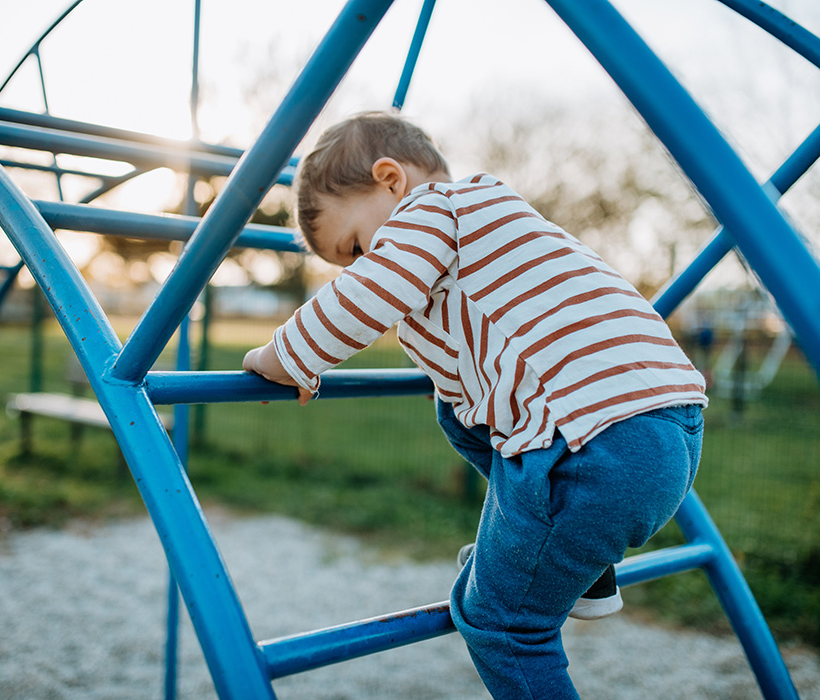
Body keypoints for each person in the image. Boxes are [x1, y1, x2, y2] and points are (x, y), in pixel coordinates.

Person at [242, 111, 706, 699]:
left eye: (355, 246)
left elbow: (369, 295)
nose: (361, 266)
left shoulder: (430, 211)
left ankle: (541, 546)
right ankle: (580, 571)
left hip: (596, 442)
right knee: (454, 405)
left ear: (392, 181)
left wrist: (285, 356)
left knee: (501, 624)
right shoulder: (497, 226)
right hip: (669, 424)